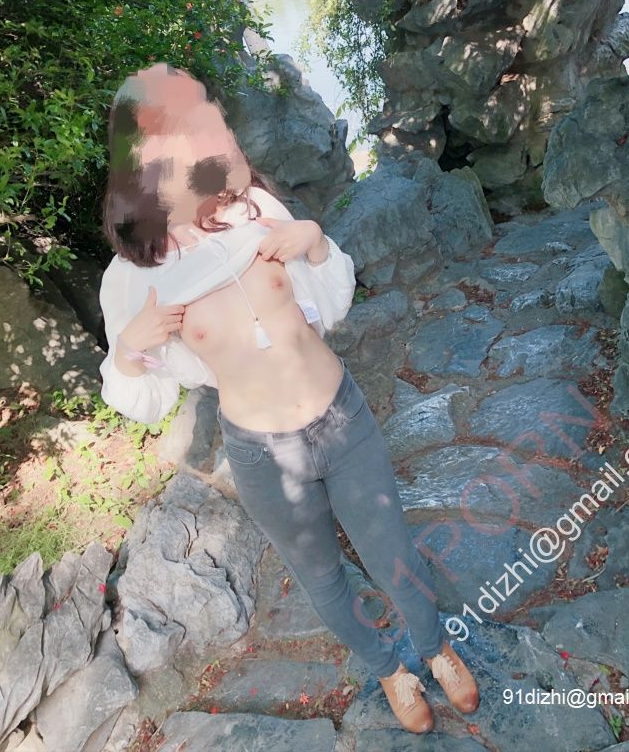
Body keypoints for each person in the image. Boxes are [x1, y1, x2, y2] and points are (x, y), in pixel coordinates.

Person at [98, 63, 480, 733]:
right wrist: (130, 347)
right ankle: (389, 671)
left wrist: (316, 242)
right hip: (264, 456)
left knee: (394, 556)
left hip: (341, 418)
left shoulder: (253, 209)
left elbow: (327, 304)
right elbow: (141, 393)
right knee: (323, 579)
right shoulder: (134, 275)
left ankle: (435, 649)